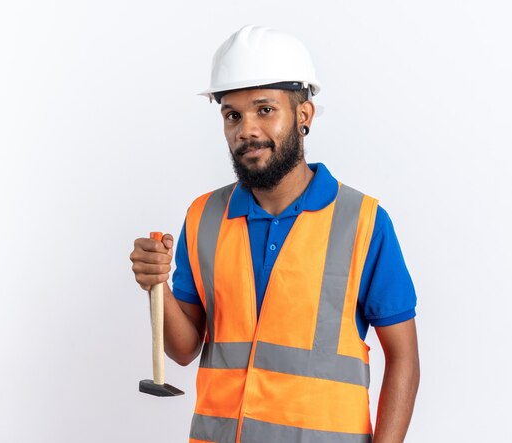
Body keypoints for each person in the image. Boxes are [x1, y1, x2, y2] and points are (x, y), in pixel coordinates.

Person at [130, 25, 420, 443]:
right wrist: (156, 286)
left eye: (265, 109)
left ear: (304, 115)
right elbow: (184, 349)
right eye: (232, 114)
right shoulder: (204, 216)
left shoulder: (363, 222)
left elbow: (404, 358)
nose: (246, 129)